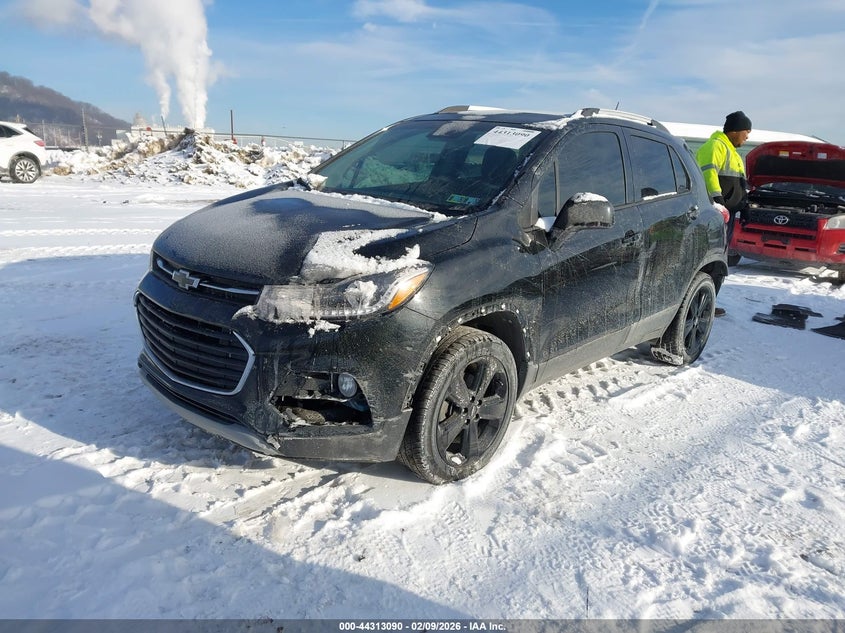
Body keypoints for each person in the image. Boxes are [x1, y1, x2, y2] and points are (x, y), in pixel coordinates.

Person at [696, 110, 752, 316]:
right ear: (735, 130)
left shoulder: (734, 154)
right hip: (716, 215)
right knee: (711, 262)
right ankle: (700, 306)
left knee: (720, 263)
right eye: (746, 131)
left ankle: (706, 305)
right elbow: (707, 173)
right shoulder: (715, 146)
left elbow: (740, 185)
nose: (747, 137)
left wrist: (744, 206)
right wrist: (717, 199)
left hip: (728, 216)